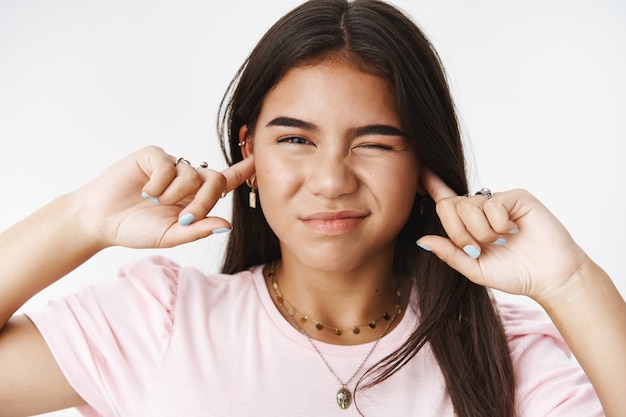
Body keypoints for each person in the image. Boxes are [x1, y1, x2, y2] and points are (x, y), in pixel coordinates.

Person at [0, 0, 624, 416]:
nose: (330, 181)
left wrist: (571, 283)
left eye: (374, 143)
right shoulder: (159, 323)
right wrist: (81, 219)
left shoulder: (505, 352)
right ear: (248, 149)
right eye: (295, 139)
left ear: (421, 163)